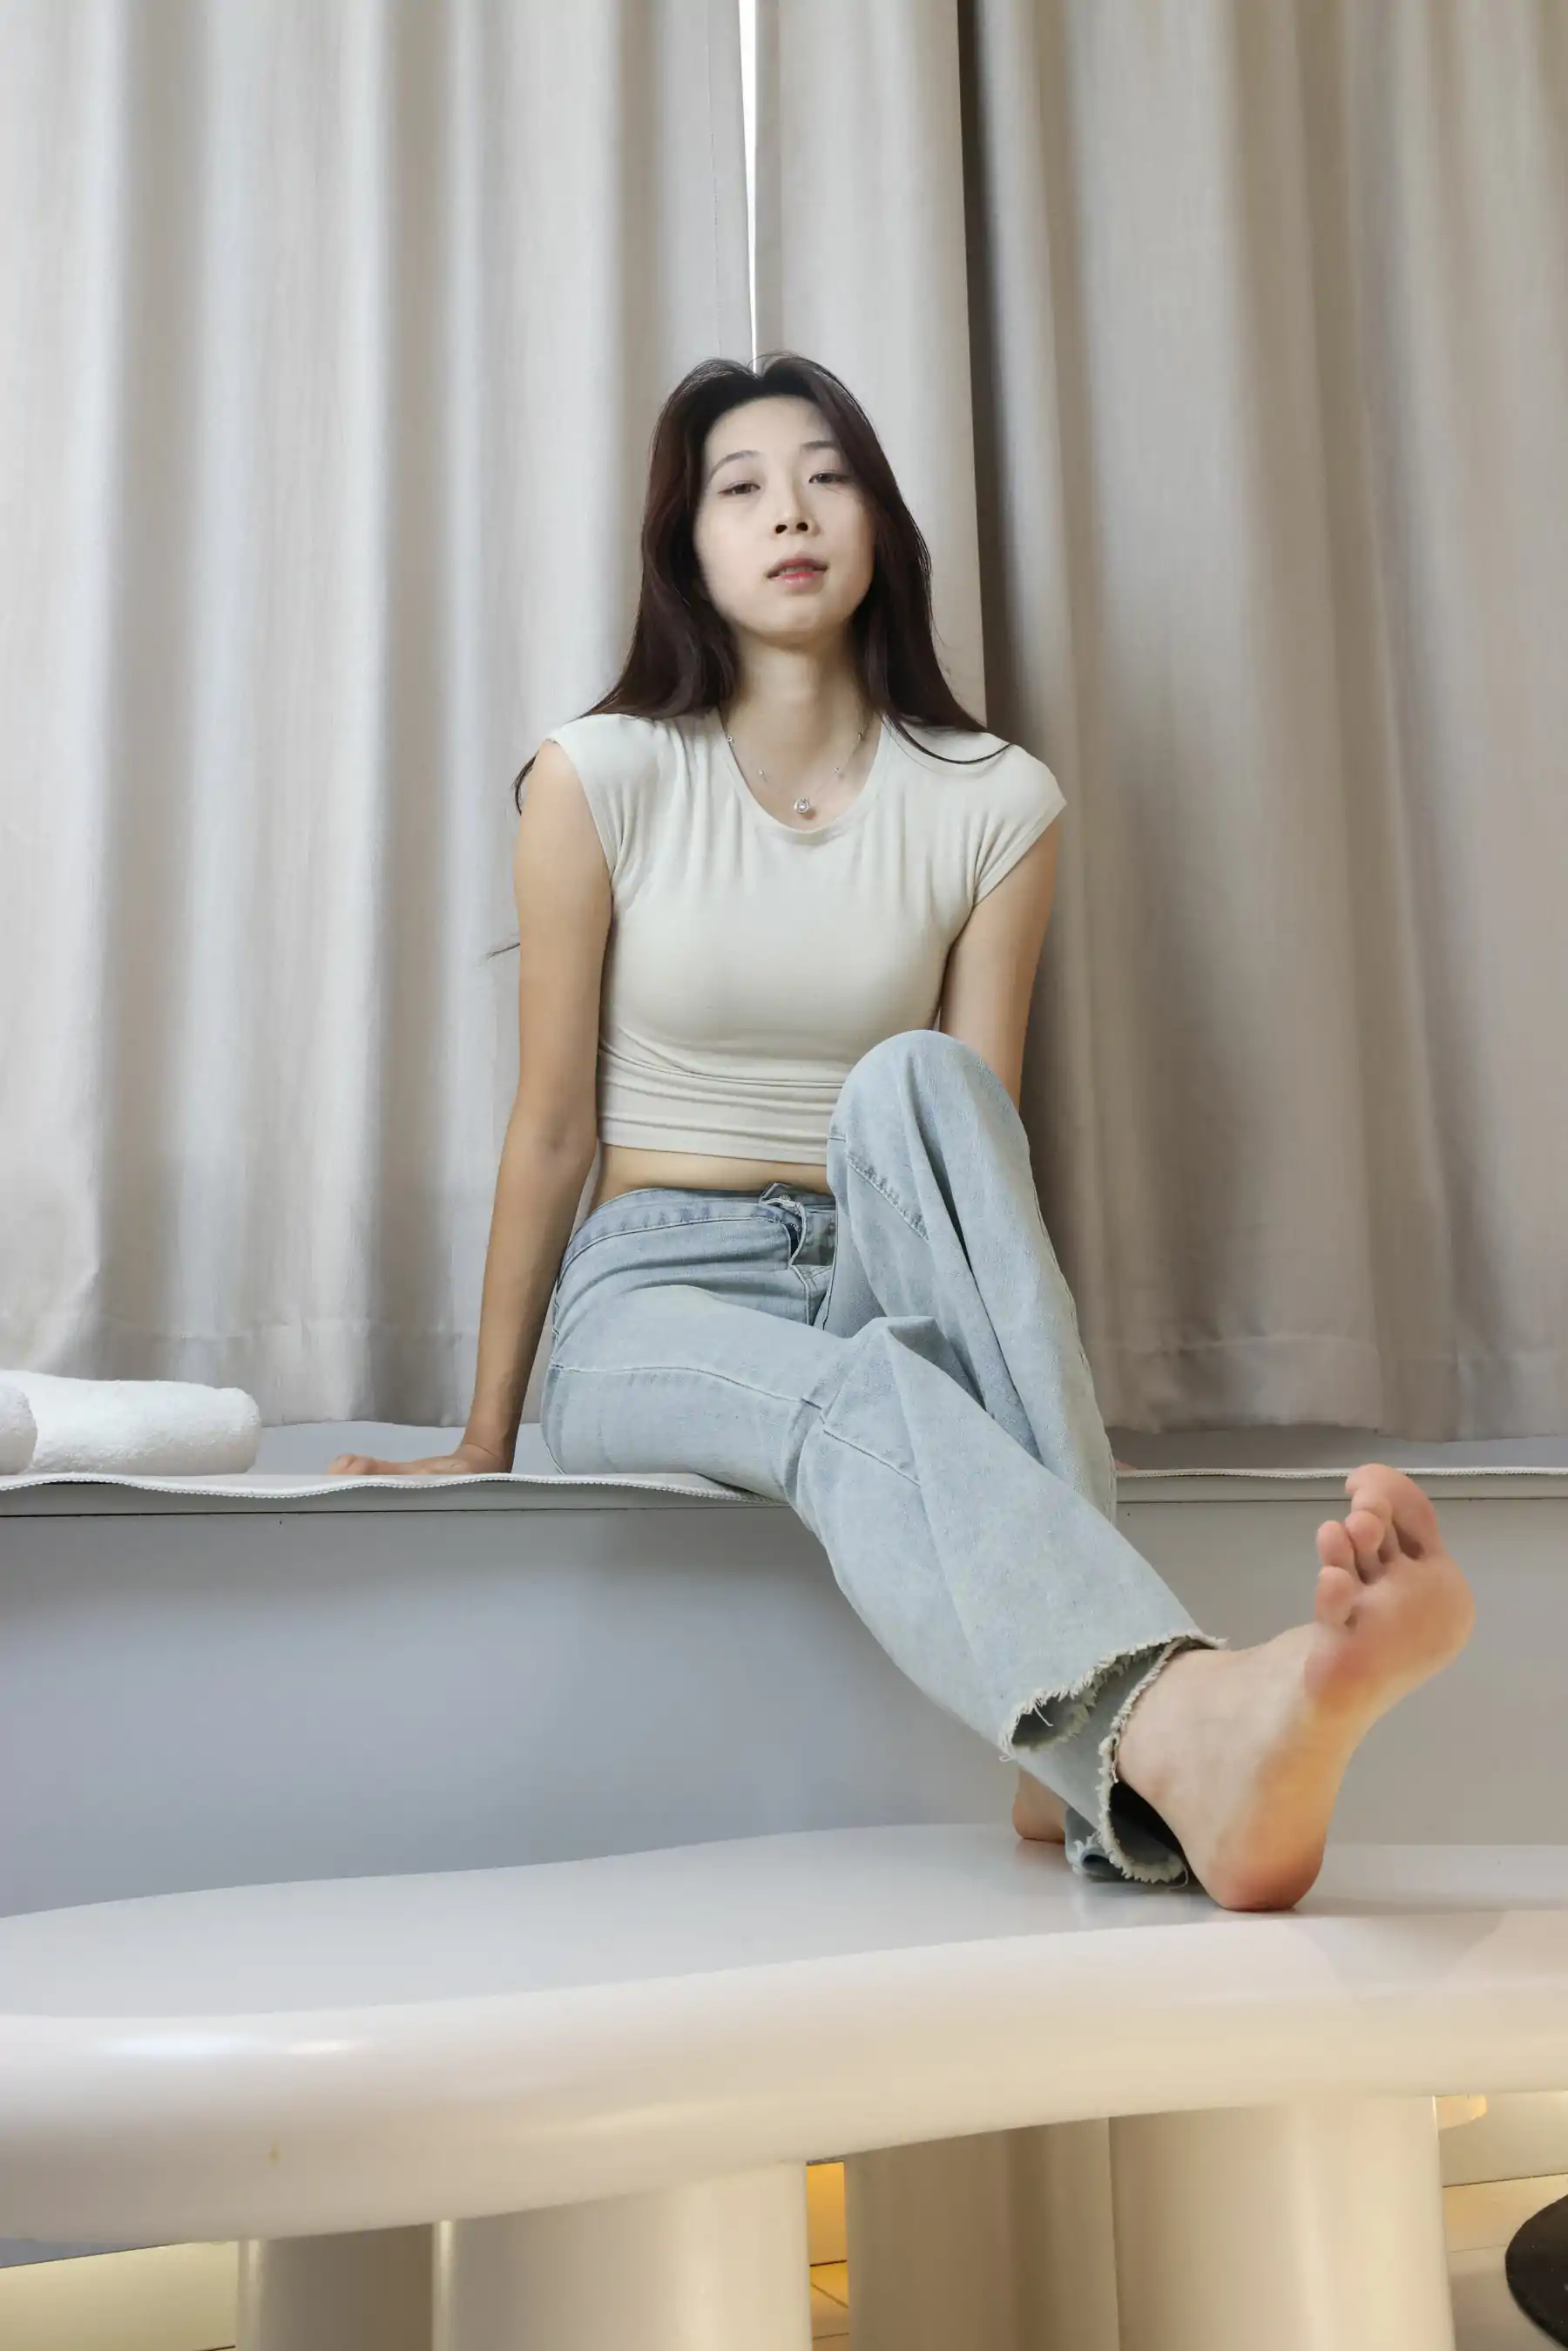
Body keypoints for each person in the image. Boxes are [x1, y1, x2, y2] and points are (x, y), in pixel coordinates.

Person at [331, 353, 1475, 1912]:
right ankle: (1173, 1724)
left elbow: (970, 1170)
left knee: (923, 1085)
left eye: (829, 477)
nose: (791, 512)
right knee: (863, 1383)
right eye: (741, 488)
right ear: (687, 548)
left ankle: (1100, 1749)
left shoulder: (995, 800)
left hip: (869, 1261)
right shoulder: (598, 776)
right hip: (653, 1295)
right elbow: (549, 1132)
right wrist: (484, 1437)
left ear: (878, 522)